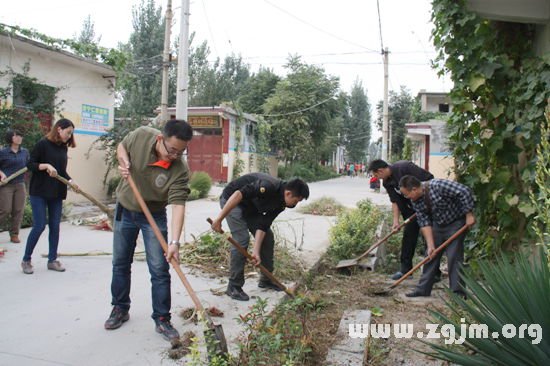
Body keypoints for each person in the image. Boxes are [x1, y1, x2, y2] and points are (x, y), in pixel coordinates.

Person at [104, 120, 193, 342]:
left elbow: (178, 205)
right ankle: (120, 308)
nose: (175, 156)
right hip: (126, 209)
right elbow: (122, 146)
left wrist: (174, 242)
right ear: (160, 139)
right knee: (121, 263)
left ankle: (162, 319)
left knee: (160, 269)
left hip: (154, 214)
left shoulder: (179, 169)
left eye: (181, 152)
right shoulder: (142, 135)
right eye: (172, 150)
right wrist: (123, 161)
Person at [210, 173, 310, 301]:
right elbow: (238, 195)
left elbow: (263, 224)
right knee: (241, 239)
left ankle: (266, 280)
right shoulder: (268, 186)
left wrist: (256, 252)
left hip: (250, 206)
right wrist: (219, 219)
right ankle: (233, 286)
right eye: (296, 200)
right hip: (232, 199)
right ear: (288, 193)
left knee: (268, 237)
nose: (296, 204)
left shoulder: (282, 202)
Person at [399, 175, 475, 298]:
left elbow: (464, 191)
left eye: (407, 194)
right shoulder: (415, 201)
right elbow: (424, 222)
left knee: (454, 257)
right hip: (438, 225)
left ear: (414, 189)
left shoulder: (439, 185)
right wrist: (430, 245)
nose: (407, 198)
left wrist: (469, 214)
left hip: (456, 222)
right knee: (430, 255)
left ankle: (458, 292)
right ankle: (423, 289)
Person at [21, 119, 79, 275]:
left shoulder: (63, 148)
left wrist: (71, 181)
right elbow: (30, 164)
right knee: (39, 225)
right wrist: (45, 166)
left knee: (55, 226)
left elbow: (62, 171)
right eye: (68, 132)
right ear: (59, 129)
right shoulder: (42, 144)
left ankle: (52, 260)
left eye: (71, 134)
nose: (69, 136)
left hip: (56, 192)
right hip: (39, 192)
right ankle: (26, 260)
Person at [368, 159, 436, 280]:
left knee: (429, 239)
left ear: (380, 170)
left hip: (425, 208)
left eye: (376, 175)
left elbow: (429, 180)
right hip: (409, 212)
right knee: (408, 238)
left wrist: (423, 202)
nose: (377, 178)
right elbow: (394, 201)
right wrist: (396, 221)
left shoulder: (404, 167)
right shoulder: (387, 183)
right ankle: (406, 270)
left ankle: (433, 273)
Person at [0, 129, 29, 243]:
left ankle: (14, 234)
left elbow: (29, 165)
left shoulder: (25, 152)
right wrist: (1, 174)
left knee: (18, 210)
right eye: (16, 136)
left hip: (20, 184)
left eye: (20, 136)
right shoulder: (3, 152)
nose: (19, 138)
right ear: (10, 138)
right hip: (6, 185)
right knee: (5, 210)